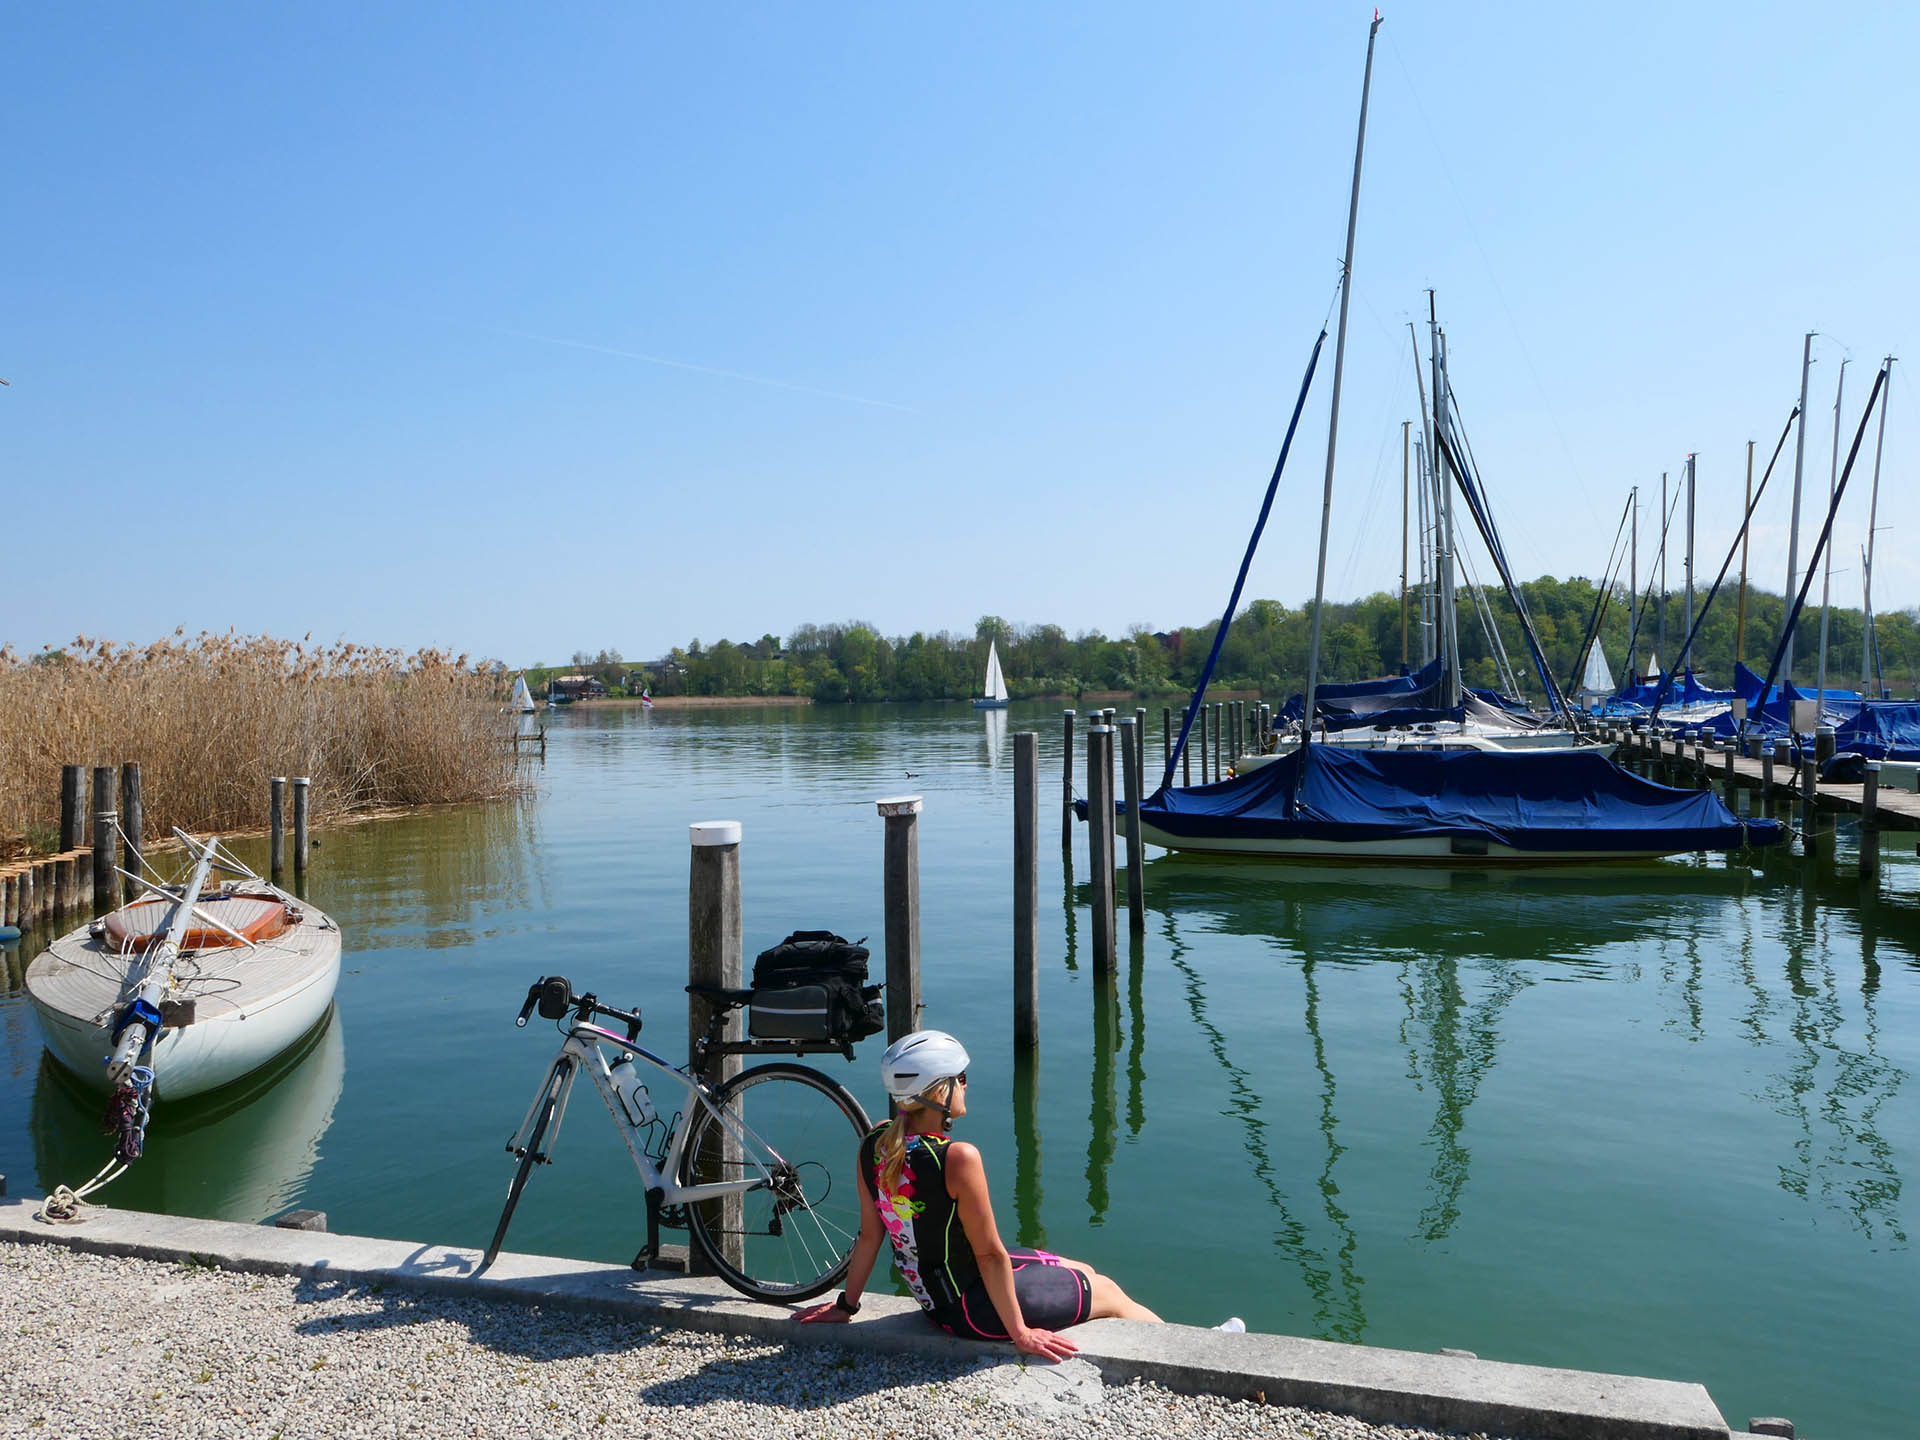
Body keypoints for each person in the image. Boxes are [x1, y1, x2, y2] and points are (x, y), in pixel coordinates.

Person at [795, 1029, 1164, 1359]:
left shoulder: (875, 1143)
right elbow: (988, 1254)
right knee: (1110, 1294)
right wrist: (1021, 1334)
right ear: (940, 1091)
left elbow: (870, 1236)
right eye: (962, 1078)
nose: (966, 1085)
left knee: (1081, 1270)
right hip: (973, 1313)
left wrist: (847, 1305)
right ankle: (1186, 1347)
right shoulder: (957, 1158)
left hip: (936, 1303)